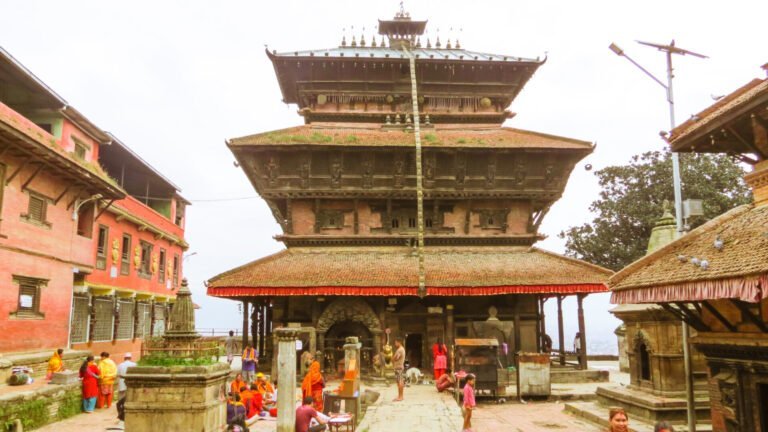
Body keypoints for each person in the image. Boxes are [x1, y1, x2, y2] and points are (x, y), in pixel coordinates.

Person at [392, 337, 405, 402]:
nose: (395, 344)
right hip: (399, 367)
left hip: (398, 367)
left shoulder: (400, 350)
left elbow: (396, 358)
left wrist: (393, 358)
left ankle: (400, 396)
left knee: (400, 381)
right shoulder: (401, 349)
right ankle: (400, 396)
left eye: (395, 342)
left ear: (398, 342)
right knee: (400, 381)